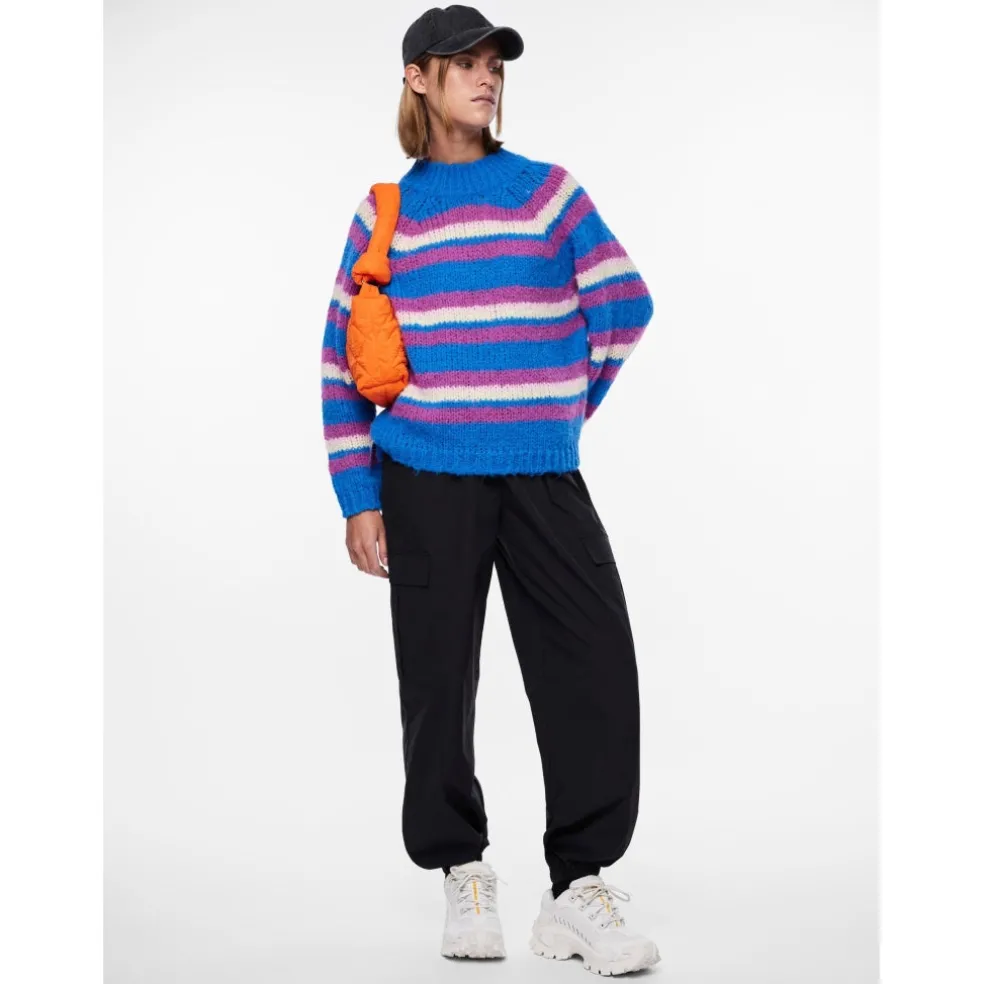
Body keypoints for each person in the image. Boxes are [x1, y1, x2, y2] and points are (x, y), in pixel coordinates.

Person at [320, 5, 660, 974]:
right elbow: (342, 360)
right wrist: (358, 495)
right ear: (417, 78)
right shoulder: (386, 213)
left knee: (593, 671)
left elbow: (625, 300)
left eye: (494, 65)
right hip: (421, 475)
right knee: (436, 683)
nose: (486, 78)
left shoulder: (547, 193)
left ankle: (579, 886)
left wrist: (560, 406)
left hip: (542, 473)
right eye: (463, 63)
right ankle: (461, 868)